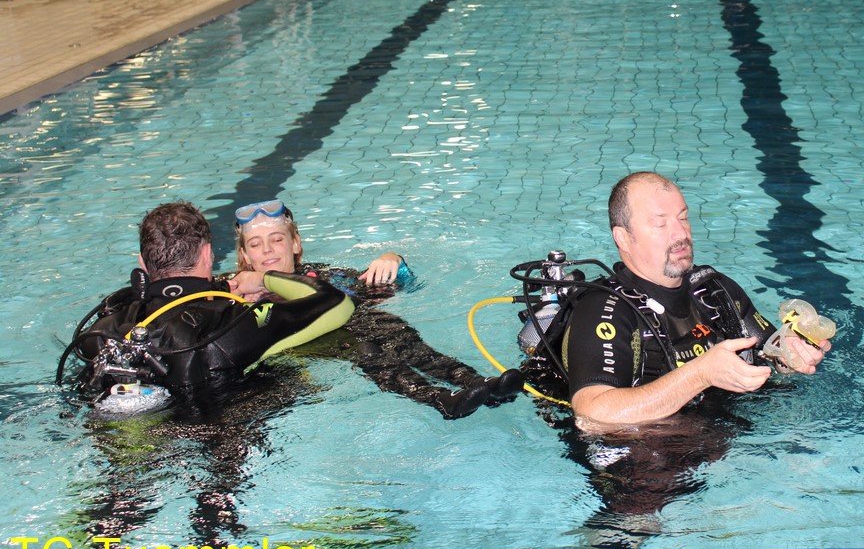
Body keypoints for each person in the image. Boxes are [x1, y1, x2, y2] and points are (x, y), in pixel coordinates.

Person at [562, 172, 830, 428]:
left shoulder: (714, 290)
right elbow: (593, 413)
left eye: (683, 218)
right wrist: (701, 374)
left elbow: (767, 354)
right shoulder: (604, 309)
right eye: (660, 223)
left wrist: (791, 352)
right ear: (623, 237)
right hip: (649, 458)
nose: (680, 234)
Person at [227, 199, 521, 420]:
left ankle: (479, 384)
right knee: (366, 349)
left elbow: (400, 284)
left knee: (398, 334)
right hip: (318, 347)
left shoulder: (326, 277)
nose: (267, 250)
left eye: (276, 239)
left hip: (369, 325)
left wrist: (393, 260)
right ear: (244, 255)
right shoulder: (232, 296)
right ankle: (442, 399)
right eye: (255, 244)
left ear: (295, 244)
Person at [60, 201, 353, 412]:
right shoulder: (231, 324)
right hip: (215, 447)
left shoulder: (101, 331)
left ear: (142, 264)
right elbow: (335, 303)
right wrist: (264, 278)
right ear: (208, 254)